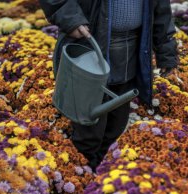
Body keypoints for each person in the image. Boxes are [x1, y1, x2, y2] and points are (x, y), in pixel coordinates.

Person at [40, 0, 178, 169]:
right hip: (90, 48)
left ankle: (100, 179)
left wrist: (166, 51)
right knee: (88, 135)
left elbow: (160, 10)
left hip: (129, 55)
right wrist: (72, 19)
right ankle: (81, 178)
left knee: (115, 128)